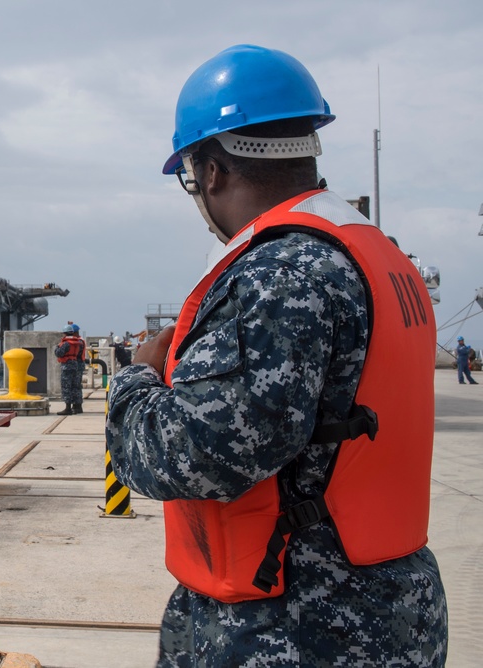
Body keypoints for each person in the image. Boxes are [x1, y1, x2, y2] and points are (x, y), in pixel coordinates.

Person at [105, 44, 447, 666]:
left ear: (211, 170)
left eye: (191, 177)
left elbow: (196, 455)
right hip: (393, 607)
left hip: (294, 624)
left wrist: (136, 381)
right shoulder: (378, 254)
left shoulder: (280, 273)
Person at [54, 323, 85, 415]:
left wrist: (57, 347)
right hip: (75, 365)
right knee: (76, 386)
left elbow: (59, 353)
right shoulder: (78, 342)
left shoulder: (66, 343)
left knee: (66, 386)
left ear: (65, 333)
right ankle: (78, 406)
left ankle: (68, 408)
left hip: (67, 366)